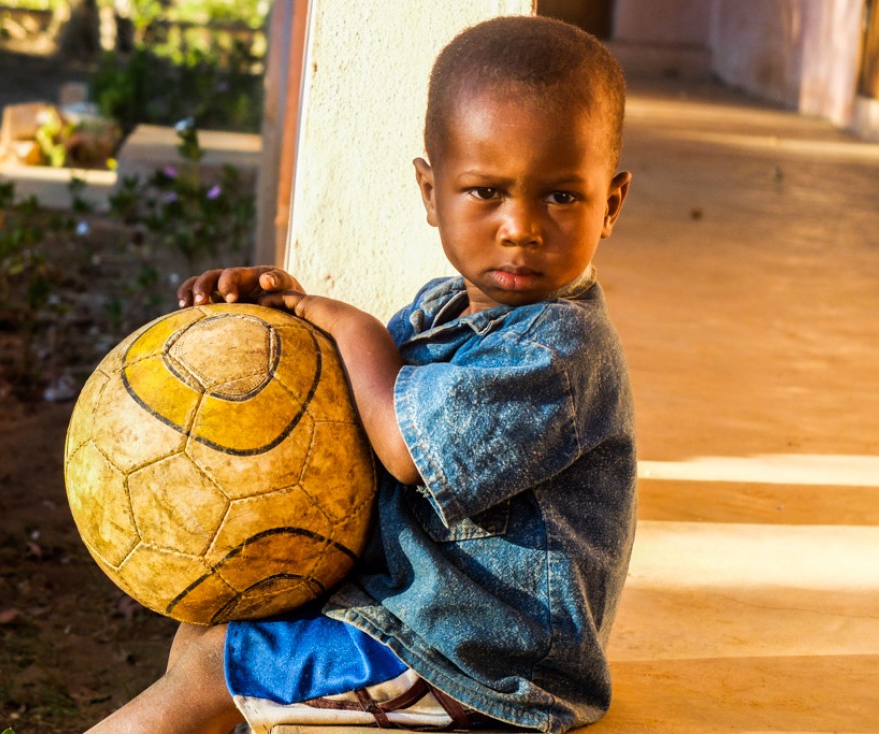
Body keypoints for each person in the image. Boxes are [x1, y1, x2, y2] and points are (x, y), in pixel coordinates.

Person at [87, 15, 636, 734]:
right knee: (210, 628)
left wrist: (348, 323)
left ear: (611, 204)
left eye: (561, 195)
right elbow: (354, 394)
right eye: (486, 192)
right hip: (429, 625)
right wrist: (277, 318)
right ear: (429, 191)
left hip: (485, 673)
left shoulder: (559, 351)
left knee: (216, 665)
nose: (520, 226)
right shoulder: (447, 310)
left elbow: (405, 449)